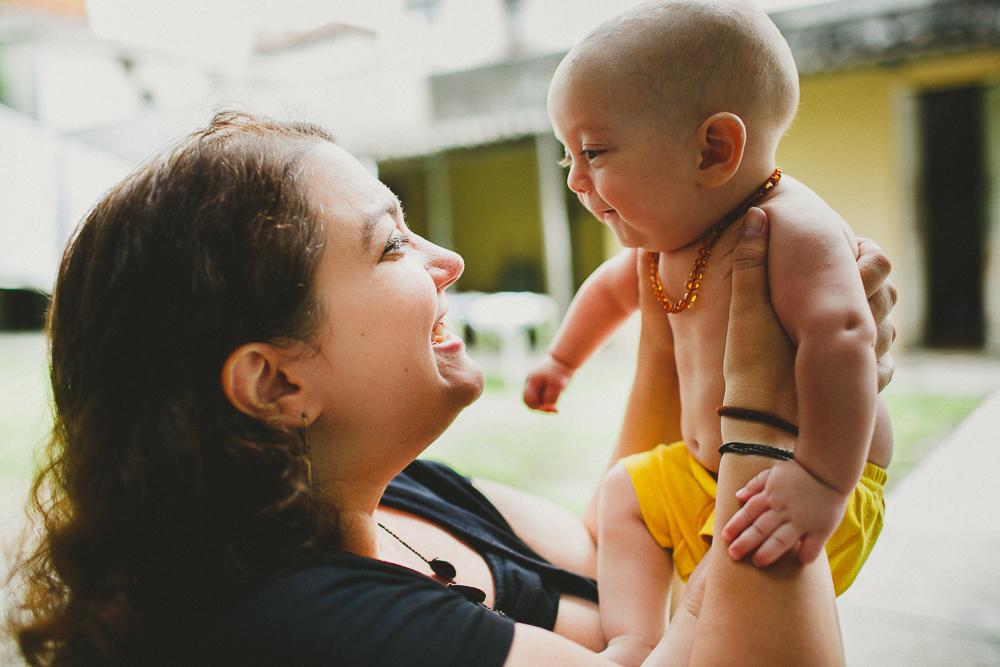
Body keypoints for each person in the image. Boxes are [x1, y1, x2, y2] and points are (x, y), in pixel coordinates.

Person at [6, 111, 895, 667]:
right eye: (391, 244)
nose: (448, 261)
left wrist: (693, 299)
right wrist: (770, 411)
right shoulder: (304, 628)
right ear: (275, 380)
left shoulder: (395, 492)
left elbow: (641, 546)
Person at [521, 2, 892, 662]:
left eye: (594, 151)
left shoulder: (790, 230)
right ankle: (636, 639)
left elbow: (846, 338)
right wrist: (562, 358)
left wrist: (819, 481)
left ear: (713, 149)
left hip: (805, 480)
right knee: (622, 492)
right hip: (705, 474)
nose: (578, 180)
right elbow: (611, 292)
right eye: (567, 159)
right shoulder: (672, 238)